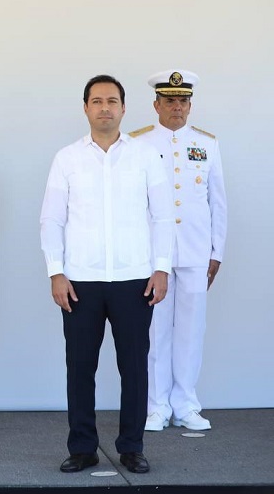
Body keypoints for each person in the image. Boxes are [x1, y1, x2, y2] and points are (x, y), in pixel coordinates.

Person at [40, 74, 174, 475]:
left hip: (135, 279)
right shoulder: (67, 158)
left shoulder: (146, 155)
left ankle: (132, 446)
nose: (104, 108)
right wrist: (56, 272)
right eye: (96, 101)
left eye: (112, 101)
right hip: (80, 280)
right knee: (80, 367)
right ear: (85, 108)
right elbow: (51, 219)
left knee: (134, 367)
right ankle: (82, 447)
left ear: (123, 108)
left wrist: (162, 268)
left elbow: (164, 215)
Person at [130, 70, 227, 432]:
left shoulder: (208, 143)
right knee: (155, 331)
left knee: (191, 330)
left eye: (183, 101)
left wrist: (217, 251)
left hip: (196, 250)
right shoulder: (137, 143)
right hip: (154, 254)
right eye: (169, 100)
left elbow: (218, 201)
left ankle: (186, 403)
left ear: (190, 105)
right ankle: (156, 406)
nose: (177, 107)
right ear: (156, 104)